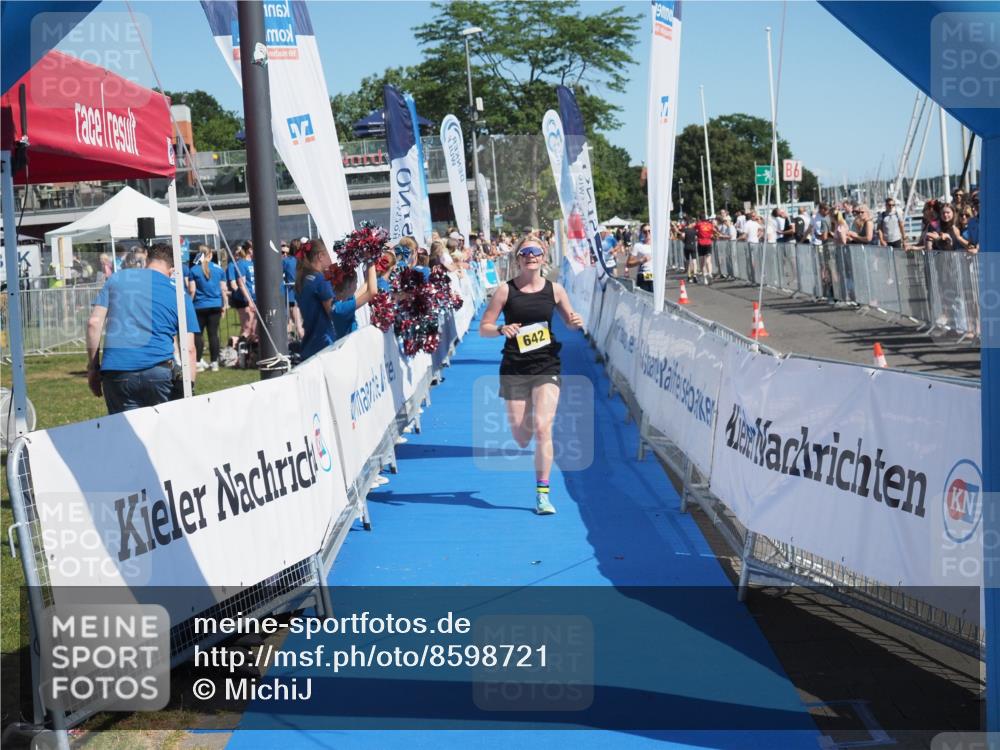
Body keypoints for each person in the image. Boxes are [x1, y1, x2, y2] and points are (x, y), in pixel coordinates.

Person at [478, 235, 583, 515]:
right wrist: (501, 329)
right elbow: (484, 327)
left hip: (547, 364)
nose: (531, 256)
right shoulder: (505, 291)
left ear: (543, 257)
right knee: (522, 436)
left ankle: (542, 495)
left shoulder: (555, 290)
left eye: (536, 251)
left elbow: (570, 322)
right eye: (525, 252)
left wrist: (575, 322)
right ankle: (524, 430)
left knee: (543, 427)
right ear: (518, 259)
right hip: (514, 367)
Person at [86, 243, 200, 414]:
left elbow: (93, 323)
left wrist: (93, 368)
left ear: (147, 260)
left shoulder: (117, 279)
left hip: (117, 372)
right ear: (172, 270)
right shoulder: (179, 294)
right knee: (164, 428)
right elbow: (189, 349)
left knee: (124, 429)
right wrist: (189, 387)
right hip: (159, 371)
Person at [296, 240, 378, 360]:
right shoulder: (320, 280)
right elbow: (333, 313)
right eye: (329, 254)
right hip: (324, 346)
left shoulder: (304, 279)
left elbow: (342, 304)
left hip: (310, 344)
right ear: (320, 256)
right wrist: (370, 260)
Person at [187, 245, 226, 372]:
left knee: (198, 335)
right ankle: (214, 363)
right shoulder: (219, 269)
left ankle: (198, 362)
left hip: (199, 306)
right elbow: (223, 289)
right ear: (210, 255)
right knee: (213, 334)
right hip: (215, 305)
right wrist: (225, 305)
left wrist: (188, 304)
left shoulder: (193, 270)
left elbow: (192, 290)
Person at [281, 241, 305, 340]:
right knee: (298, 321)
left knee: (294, 322)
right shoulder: (304, 261)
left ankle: (298, 339)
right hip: (303, 293)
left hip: (291, 294)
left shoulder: (286, 261)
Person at [626, 223, 653, 292]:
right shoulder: (638, 246)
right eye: (645, 232)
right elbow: (628, 264)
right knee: (646, 297)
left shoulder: (658, 244)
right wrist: (641, 260)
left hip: (657, 275)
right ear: (642, 233)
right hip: (645, 274)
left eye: (649, 231)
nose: (647, 233)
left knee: (657, 298)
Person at [694, 213, 716, 285]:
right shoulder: (710, 225)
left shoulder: (698, 224)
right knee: (708, 260)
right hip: (708, 243)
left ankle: (704, 277)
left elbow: (694, 229)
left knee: (702, 261)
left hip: (701, 243)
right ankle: (710, 273)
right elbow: (713, 232)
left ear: (700, 218)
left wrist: (697, 234)